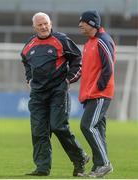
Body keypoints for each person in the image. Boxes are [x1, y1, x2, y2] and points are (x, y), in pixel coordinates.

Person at [21, 12, 89, 177]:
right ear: (34, 27)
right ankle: (42, 168)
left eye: (46, 23)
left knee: (58, 126)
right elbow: (26, 62)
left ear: (50, 24)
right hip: (37, 95)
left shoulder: (62, 40)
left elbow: (77, 59)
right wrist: (29, 79)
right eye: (40, 25)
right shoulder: (28, 46)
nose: (43, 27)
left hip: (58, 91)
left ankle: (80, 158)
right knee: (39, 131)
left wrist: (68, 79)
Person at [78, 10, 116, 178]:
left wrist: (99, 87)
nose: (80, 25)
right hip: (90, 94)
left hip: (99, 93)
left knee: (87, 126)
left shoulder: (102, 40)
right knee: (98, 131)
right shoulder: (89, 43)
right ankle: (98, 167)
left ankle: (105, 164)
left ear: (92, 23)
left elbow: (109, 65)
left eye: (83, 22)